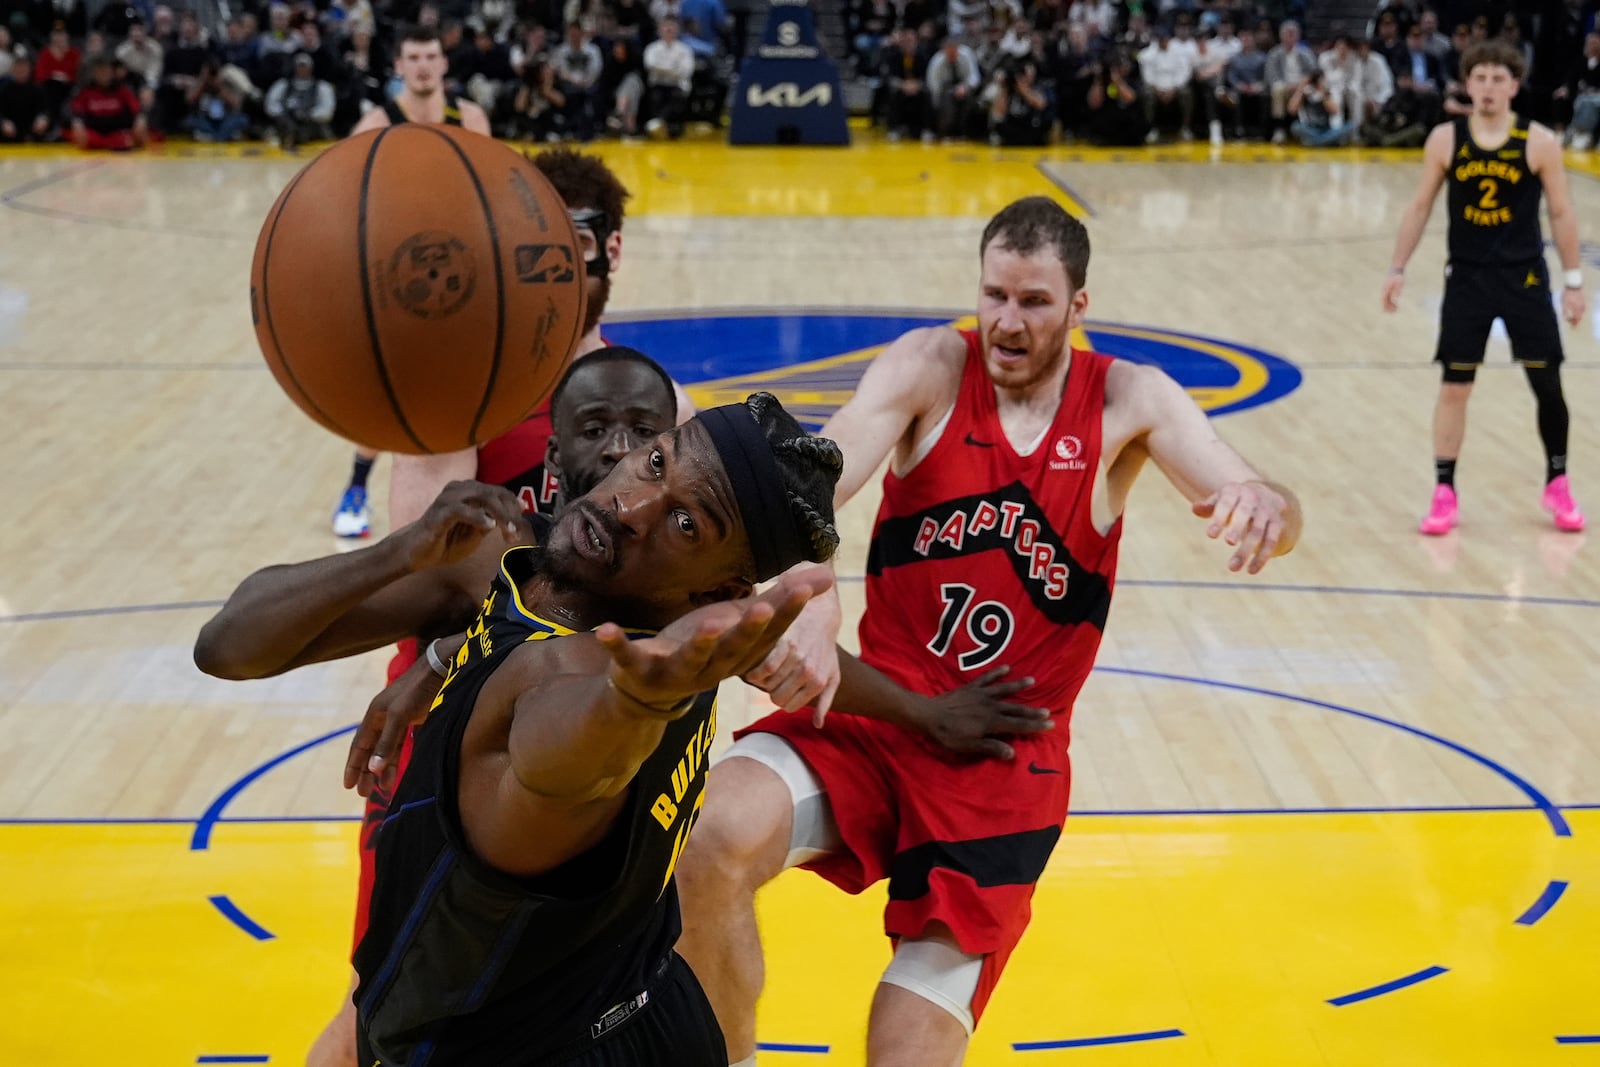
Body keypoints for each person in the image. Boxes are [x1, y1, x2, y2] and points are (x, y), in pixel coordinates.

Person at [674, 195, 1303, 1066]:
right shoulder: (930, 363)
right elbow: (814, 483)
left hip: (1003, 764)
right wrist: (815, 593)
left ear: (1078, 307)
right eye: (994, 295)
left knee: (907, 1049)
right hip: (877, 717)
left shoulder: (1127, 398)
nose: (1007, 321)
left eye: (1034, 301)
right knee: (703, 837)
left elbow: (1248, 486)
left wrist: (1269, 506)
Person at [197, 395, 847, 1065]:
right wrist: (405, 563)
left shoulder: (614, 667)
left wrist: (636, 703)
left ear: (717, 595)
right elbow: (226, 645)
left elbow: (568, 751)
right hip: (644, 1004)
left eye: (684, 522)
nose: (632, 507)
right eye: (655, 463)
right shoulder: (517, 566)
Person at [298, 345, 680, 1067]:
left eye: (643, 437)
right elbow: (438, 579)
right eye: (594, 428)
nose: (620, 449)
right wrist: (435, 657)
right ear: (556, 449)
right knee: (381, 1005)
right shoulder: (465, 377)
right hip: (453, 745)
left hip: (600, 803)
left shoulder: (657, 412)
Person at [1382, 39, 1588, 535]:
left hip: (1526, 280)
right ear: (1467, 83)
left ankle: (1557, 482)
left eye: (1499, 79)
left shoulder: (1538, 141)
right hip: (1468, 281)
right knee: (1455, 387)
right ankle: (1444, 490)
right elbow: (1419, 208)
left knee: (1547, 385)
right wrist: (1397, 268)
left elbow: (1560, 213)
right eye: (1480, 78)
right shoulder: (1445, 139)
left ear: (1514, 86)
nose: (1489, 88)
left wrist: (1575, 283)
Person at [332, 25, 494, 539]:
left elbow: (489, 196)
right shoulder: (374, 126)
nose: (423, 65)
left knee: (477, 387)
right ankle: (357, 485)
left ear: (444, 63)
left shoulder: (471, 119)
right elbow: (352, 211)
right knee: (390, 395)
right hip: (398, 281)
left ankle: (484, 482)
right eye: (413, 57)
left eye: (431, 55)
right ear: (399, 66)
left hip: (463, 275)